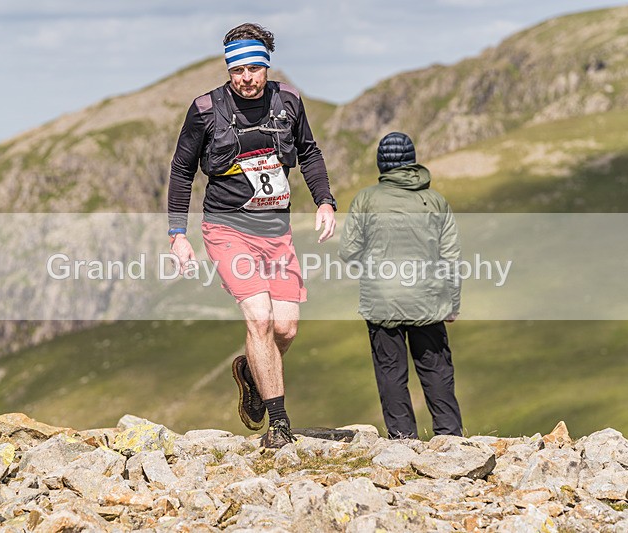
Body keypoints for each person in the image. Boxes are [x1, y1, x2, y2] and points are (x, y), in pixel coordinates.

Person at [167, 23, 337, 448]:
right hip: (227, 228)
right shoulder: (206, 109)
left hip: (276, 232)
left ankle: (250, 371)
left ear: (266, 66)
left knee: (285, 329)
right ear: (229, 69)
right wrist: (177, 234)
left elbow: (310, 152)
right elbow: (182, 170)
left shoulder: (290, 102)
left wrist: (324, 201)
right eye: (237, 70)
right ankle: (279, 425)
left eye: (254, 69)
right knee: (259, 317)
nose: (246, 78)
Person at [338, 132, 462, 439]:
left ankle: (402, 439)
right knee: (436, 370)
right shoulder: (435, 201)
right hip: (429, 301)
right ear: (412, 160)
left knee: (390, 372)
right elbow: (451, 259)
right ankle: (449, 436)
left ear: (382, 163)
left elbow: (348, 252)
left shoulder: (365, 200)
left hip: (381, 301)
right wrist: (452, 303)